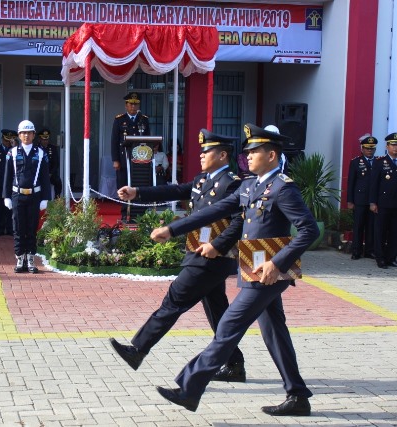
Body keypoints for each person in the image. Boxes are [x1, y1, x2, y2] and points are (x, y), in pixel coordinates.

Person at [153, 124, 318, 417]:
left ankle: (189, 389)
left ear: (271, 154)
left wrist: (277, 262)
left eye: (254, 151)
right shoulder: (249, 185)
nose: (248, 156)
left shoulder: (283, 187)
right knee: (274, 332)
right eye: (247, 152)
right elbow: (212, 212)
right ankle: (298, 396)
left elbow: (309, 230)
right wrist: (173, 228)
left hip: (269, 271)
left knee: (228, 327)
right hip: (253, 267)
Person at [110, 129, 246, 382]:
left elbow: (240, 220)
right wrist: (137, 192)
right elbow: (174, 190)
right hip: (199, 252)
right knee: (217, 311)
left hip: (212, 257)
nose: (202, 155)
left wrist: (218, 244)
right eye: (202, 151)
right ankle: (234, 364)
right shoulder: (202, 180)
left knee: (174, 299)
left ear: (223, 155)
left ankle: (138, 349)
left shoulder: (232, 183)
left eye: (207, 151)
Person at [3, 120, 51, 273]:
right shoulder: (12, 152)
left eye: (29, 132)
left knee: (31, 228)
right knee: (18, 227)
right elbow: (7, 176)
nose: (26, 135)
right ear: (19, 135)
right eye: (23, 133)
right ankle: (19, 259)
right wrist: (6, 196)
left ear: (33, 135)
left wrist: (45, 198)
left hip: (34, 196)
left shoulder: (41, 153)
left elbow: (45, 177)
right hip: (17, 195)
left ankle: (30, 259)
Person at [110, 92, 150, 191]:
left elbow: (148, 138)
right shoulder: (119, 119)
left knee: (138, 181)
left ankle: (138, 205)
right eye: (131, 104)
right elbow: (114, 141)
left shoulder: (143, 119)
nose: (133, 106)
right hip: (124, 156)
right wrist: (115, 160)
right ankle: (125, 205)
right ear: (126, 105)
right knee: (123, 181)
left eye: (135, 104)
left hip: (140, 156)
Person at [347, 134, 378, 260]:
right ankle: (356, 250)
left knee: (371, 226)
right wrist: (350, 200)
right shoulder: (356, 162)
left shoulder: (378, 162)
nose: (369, 150)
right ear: (362, 149)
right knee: (358, 226)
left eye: (372, 148)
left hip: (373, 200)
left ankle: (369, 251)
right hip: (359, 200)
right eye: (367, 148)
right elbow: (351, 182)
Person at [369, 132, 397, 268]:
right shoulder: (380, 162)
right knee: (380, 231)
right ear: (387, 146)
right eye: (393, 145)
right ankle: (380, 258)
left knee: (394, 232)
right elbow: (373, 184)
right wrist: (372, 202)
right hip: (383, 203)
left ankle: (391, 257)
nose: (396, 147)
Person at [37, 128, 62, 198]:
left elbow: (56, 163)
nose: (45, 141)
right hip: (39, 173)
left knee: (58, 182)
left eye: (47, 139)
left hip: (50, 173)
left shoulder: (52, 148)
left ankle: (57, 200)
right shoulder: (36, 148)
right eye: (43, 139)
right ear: (40, 139)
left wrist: (50, 173)